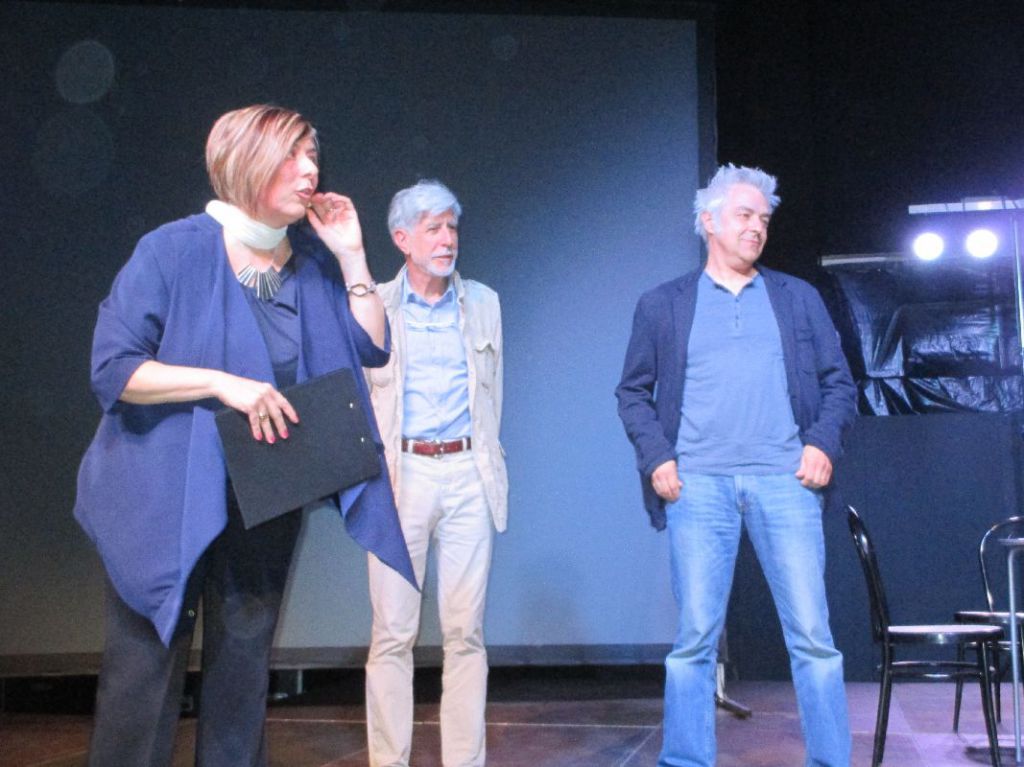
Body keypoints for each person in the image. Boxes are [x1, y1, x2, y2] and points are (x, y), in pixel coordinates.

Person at [73, 104, 413, 767]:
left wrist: (352, 255)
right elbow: (114, 368)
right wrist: (222, 383)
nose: (310, 170)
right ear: (246, 161)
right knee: (144, 679)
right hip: (161, 493)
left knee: (243, 676)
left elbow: (370, 346)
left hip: (263, 491)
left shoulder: (309, 261)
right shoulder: (173, 250)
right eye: (292, 156)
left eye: (313, 156)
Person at [615, 164, 856, 767]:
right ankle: (685, 760)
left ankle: (831, 761)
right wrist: (657, 457)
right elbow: (632, 392)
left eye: (764, 219)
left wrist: (822, 444)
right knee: (695, 640)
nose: (757, 228)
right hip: (698, 487)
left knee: (813, 638)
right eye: (745, 215)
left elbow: (839, 384)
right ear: (708, 222)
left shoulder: (796, 298)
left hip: (785, 483)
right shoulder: (663, 305)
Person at [363, 179, 507, 767]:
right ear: (402, 238)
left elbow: (492, 396)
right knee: (392, 634)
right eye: (433, 229)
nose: (448, 239)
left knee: (466, 634)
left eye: (452, 227)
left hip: (468, 472)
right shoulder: (375, 305)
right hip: (403, 477)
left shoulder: (485, 303)